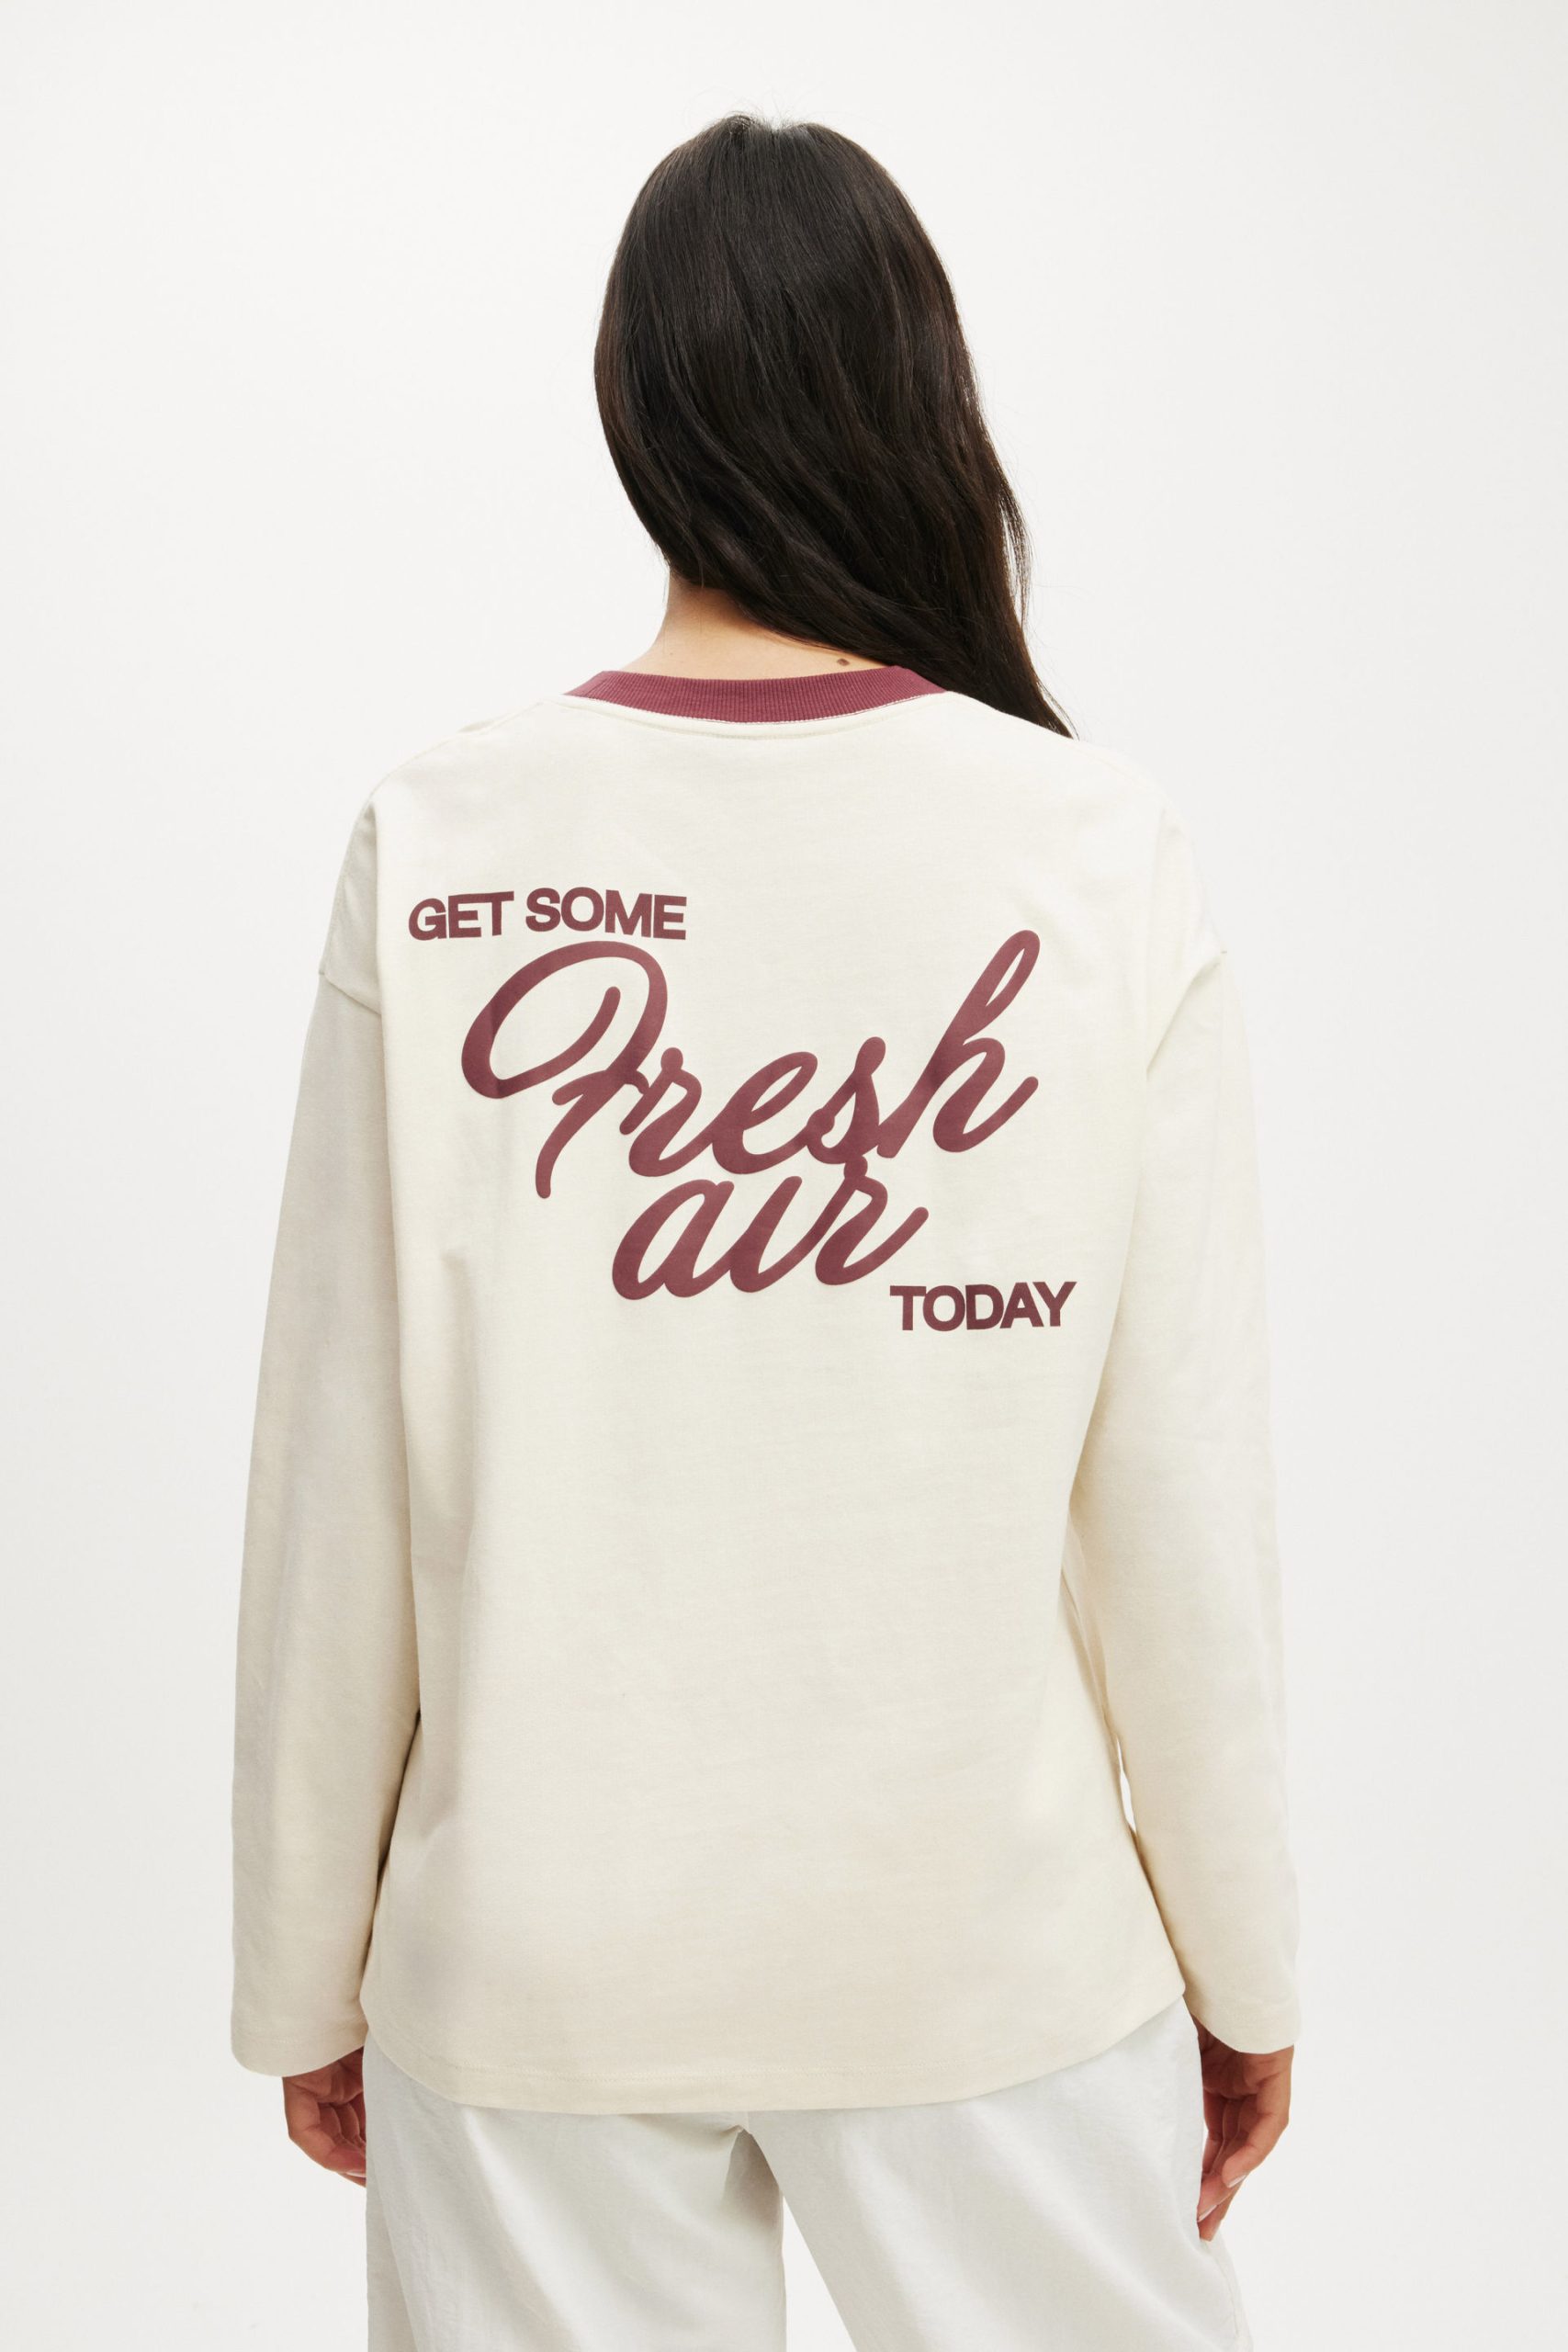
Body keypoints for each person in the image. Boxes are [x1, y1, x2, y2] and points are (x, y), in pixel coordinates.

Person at [231, 113, 1299, 2352]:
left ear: (631, 403)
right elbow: (1175, 1498)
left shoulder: (444, 840)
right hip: (982, 1938)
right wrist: (1241, 1955)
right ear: (924, 393)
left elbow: (335, 1468)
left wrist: (304, 1965)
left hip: (537, 1951)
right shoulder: (1089, 850)